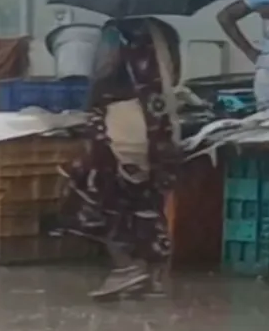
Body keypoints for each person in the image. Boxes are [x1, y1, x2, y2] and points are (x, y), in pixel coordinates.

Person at [57, 17, 182, 299]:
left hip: (122, 124)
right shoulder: (165, 32)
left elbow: (104, 70)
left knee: (100, 194)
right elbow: (174, 77)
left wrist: (90, 103)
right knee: (146, 199)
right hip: (159, 124)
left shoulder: (115, 32)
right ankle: (153, 277)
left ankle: (126, 267)